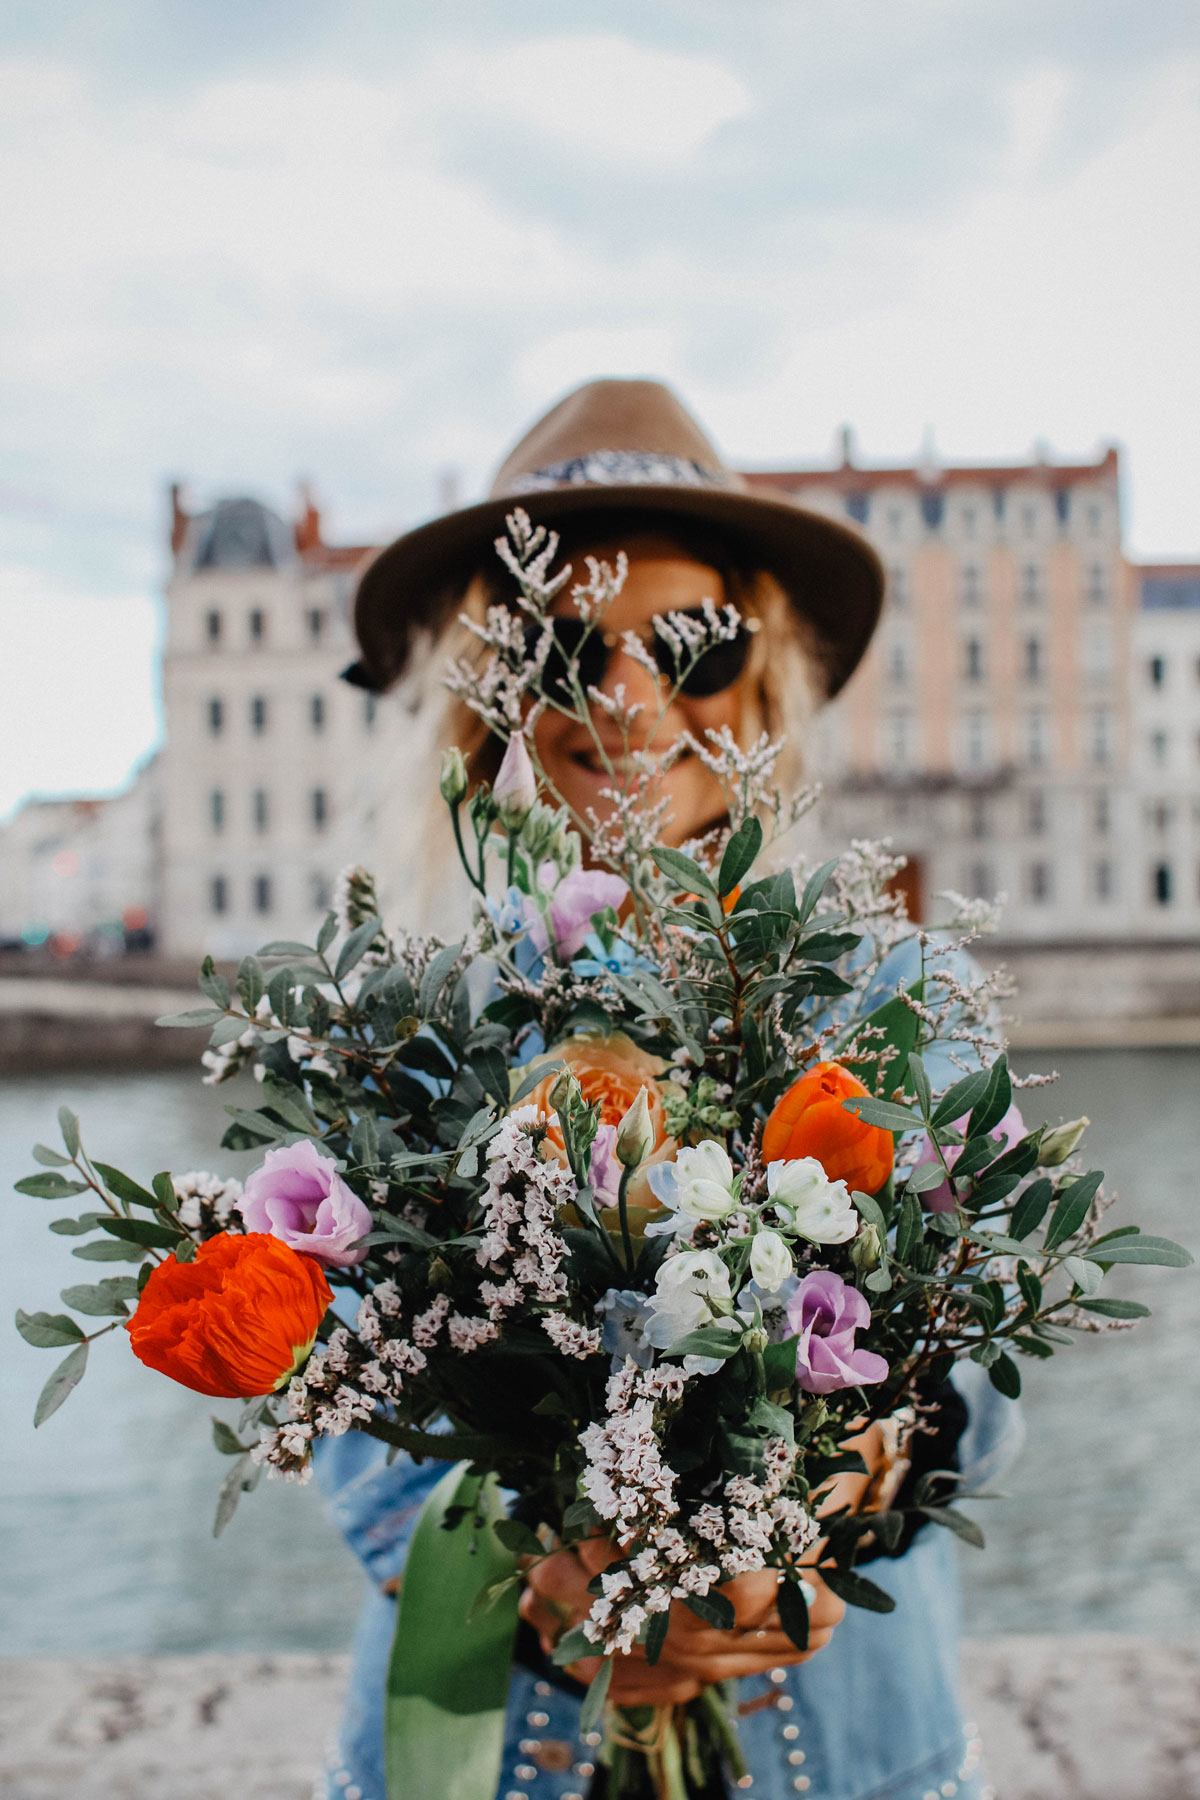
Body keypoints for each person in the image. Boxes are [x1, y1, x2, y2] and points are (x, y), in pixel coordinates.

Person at [319, 379, 1021, 1800]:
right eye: (565, 649)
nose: (627, 699)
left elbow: (988, 1380)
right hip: (496, 1745)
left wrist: (842, 1497)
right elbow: (346, 1409)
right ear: (497, 687)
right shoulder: (411, 1026)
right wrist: (540, 1584)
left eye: (688, 646)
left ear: (762, 680)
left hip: (852, 1733)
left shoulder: (898, 1000)